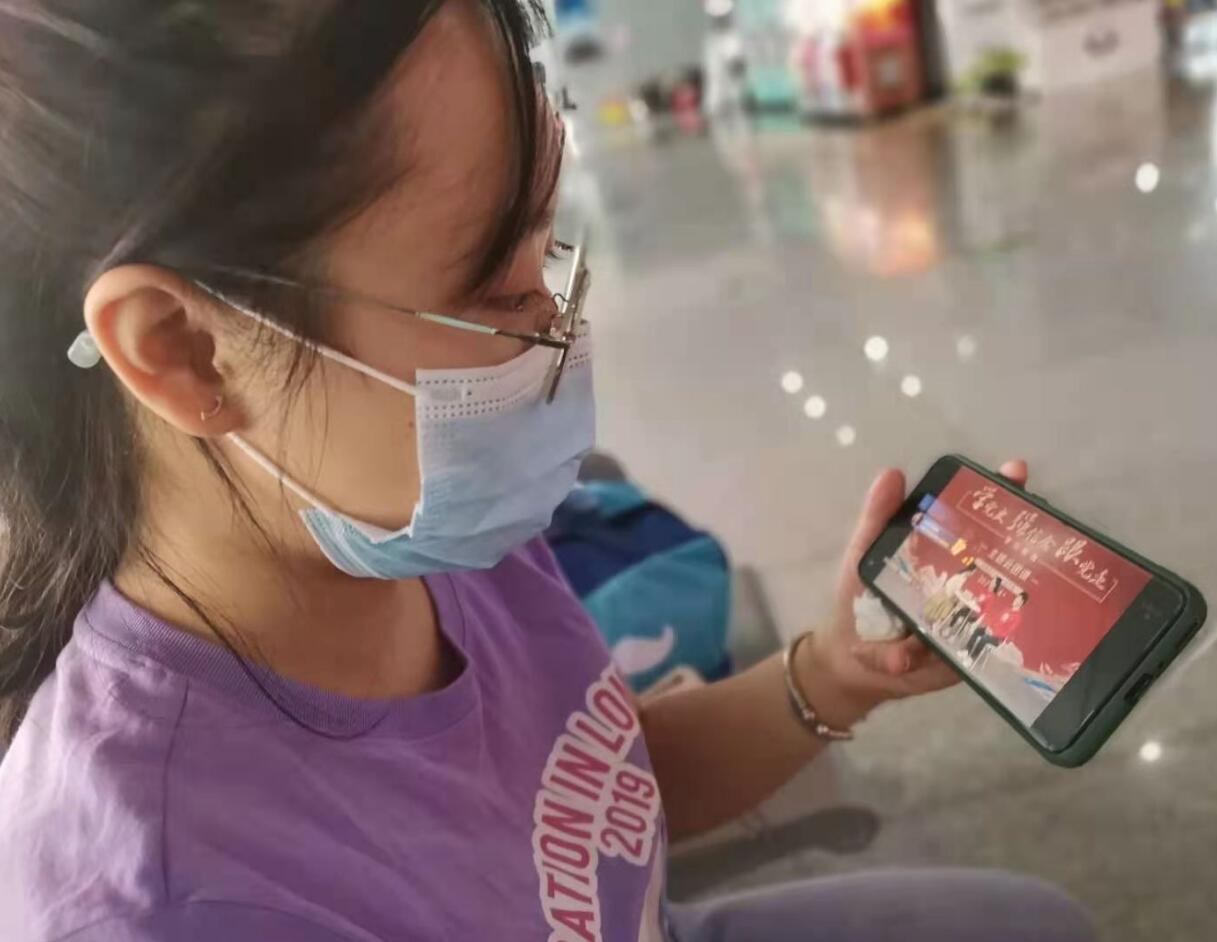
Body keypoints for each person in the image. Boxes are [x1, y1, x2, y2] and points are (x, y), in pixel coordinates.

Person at [0, 3, 1093, 941]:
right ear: (184, 350)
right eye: (496, 290)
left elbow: (583, 804)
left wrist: (834, 674)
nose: (559, 334)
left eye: (546, 250)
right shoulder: (174, 900)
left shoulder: (409, 516)